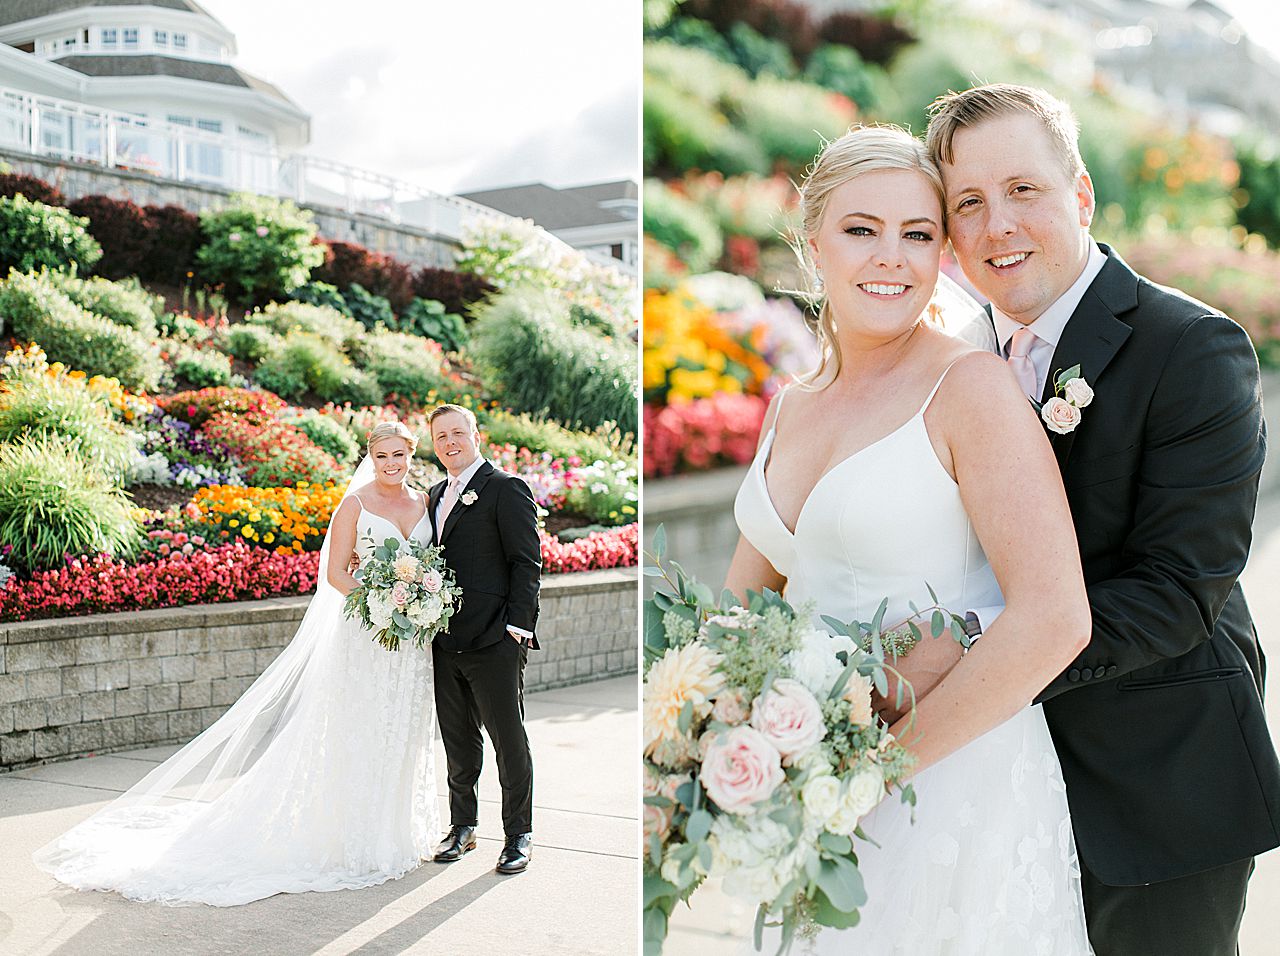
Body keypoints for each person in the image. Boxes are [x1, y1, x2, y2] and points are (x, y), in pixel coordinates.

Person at [915, 83, 1280, 956]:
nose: (998, 224)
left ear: (1080, 194)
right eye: (969, 203)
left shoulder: (1192, 348)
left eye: (1023, 189)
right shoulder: (955, 360)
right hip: (995, 787)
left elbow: (1177, 591)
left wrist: (975, 655)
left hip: (1156, 791)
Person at [726, 124, 1094, 953]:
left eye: (919, 235)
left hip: (948, 792)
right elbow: (741, 615)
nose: (890, 258)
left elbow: (1055, 619)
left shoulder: (970, 389)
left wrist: (868, 775)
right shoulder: (791, 404)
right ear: (813, 242)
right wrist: (708, 741)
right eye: (862, 229)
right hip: (806, 786)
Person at [32, 421, 440, 905]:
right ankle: (353, 838)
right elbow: (335, 574)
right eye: (382, 456)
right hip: (366, 635)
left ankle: (393, 834)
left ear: (412, 454)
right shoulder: (354, 505)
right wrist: (380, 604)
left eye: (399, 454)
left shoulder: (424, 502)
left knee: (401, 729)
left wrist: (417, 603)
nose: (391, 464)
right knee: (358, 730)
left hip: (412, 643)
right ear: (370, 458)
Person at [425, 404, 541, 876]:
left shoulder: (505, 488)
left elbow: (526, 562)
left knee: (508, 741)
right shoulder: (435, 494)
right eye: (440, 436)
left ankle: (518, 836)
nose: (450, 442)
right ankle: (463, 828)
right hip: (443, 639)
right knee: (458, 741)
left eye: (457, 432)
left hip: (495, 638)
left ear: (476, 435)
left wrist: (517, 630)